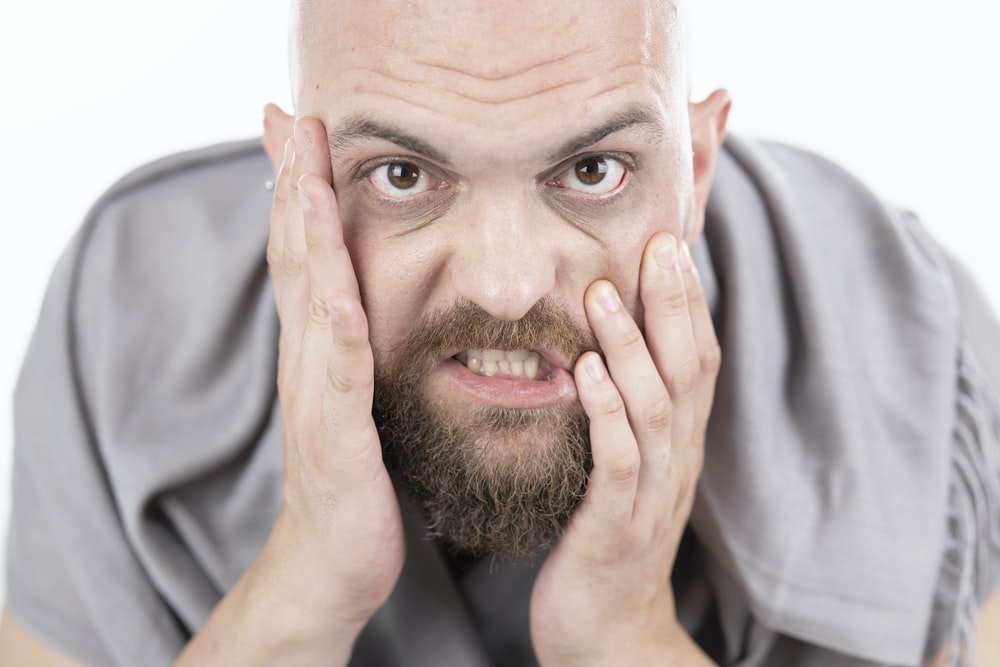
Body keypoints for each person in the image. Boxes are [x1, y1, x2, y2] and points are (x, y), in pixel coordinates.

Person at [2, 0, 999, 665]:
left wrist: (622, 630)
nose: (509, 284)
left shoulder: (915, 346)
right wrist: (302, 586)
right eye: (403, 174)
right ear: (297, 173)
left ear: (694, 170)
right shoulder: (123, 312)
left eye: (594, 169)